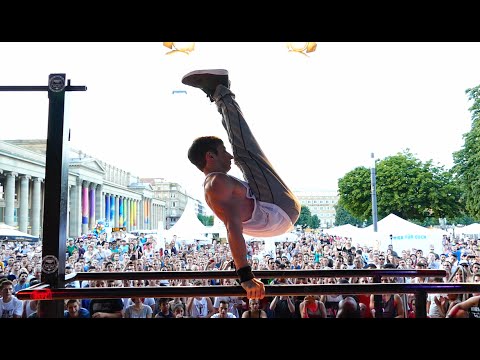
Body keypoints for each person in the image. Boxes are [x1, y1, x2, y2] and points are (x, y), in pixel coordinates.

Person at [184, 69, 301, 299]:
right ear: (210, 157)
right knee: (245, 153)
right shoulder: (216, 183)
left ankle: (219, 94)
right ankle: (221, 91)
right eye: (222, 152)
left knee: (242, 154)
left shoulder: (216, 185)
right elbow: (232, 228)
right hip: (277, 209)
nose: (228, 157)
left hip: (274, 217)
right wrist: (245, 276)